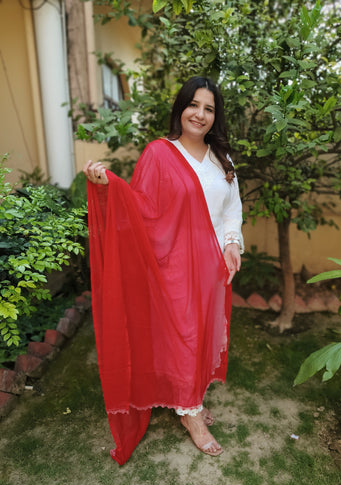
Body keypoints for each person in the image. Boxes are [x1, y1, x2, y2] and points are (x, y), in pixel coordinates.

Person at [83, 76, 243, 465]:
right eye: (194, 105)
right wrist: (107, 188)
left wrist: (232, 242)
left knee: (202, 337)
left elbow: (230, 209)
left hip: (210, 270)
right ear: (181, 108)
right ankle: (191, 417)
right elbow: (139, 209)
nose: (200, 114)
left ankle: (190, 397)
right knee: (185, 338)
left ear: (215, 116)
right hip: (171, 267)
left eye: (209, 108)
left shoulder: (222, 159)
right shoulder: (159, 154)